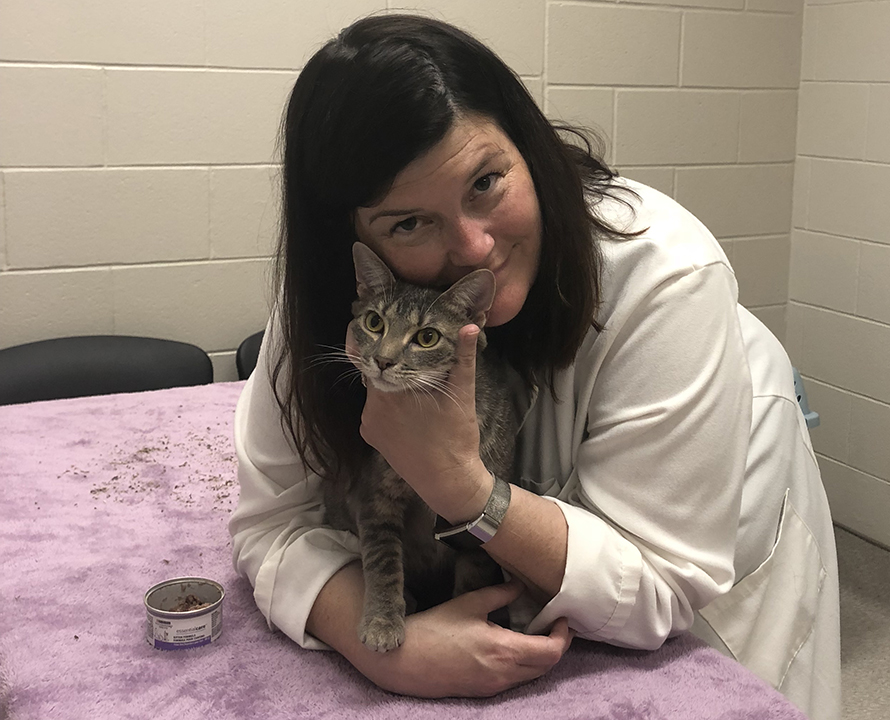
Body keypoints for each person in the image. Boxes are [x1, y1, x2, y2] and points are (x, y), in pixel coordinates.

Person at [229, 13, 841, 720]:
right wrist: (377, 648)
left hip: (700, 561)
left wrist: (460, 486)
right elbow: (268, 521)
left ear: (529, 146)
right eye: (408, 223)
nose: (474, 246)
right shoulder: (348, 303)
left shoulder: (664, 273)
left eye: (486, 181)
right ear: (353, 241)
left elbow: (657, 588)